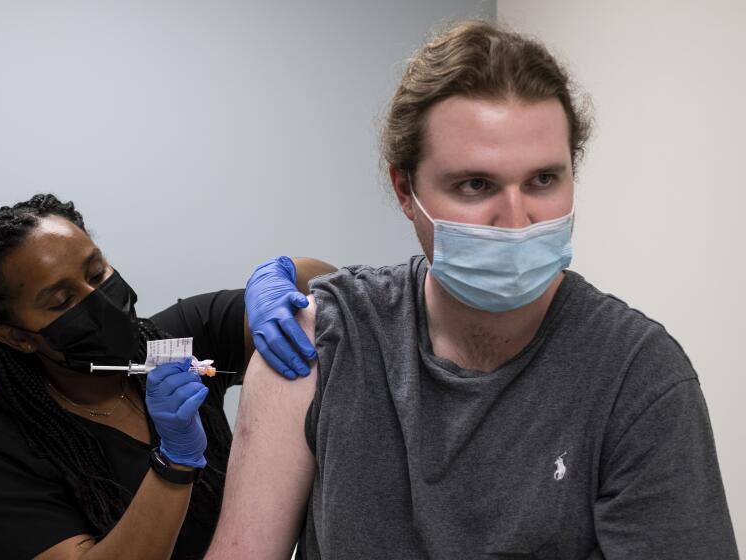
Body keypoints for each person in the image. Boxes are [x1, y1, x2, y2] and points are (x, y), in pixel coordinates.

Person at [205, 21, 739, 559]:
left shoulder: (638, 379)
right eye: (476, 185)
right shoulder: (322, 346)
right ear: (404, 190)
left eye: (543, 180)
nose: (515, 221)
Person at [0, 193, 334, 560]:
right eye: (62, 301)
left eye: (97, 273)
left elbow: (330, 293)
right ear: (17, 337)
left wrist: (276, 279)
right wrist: (174, 463)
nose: (98, 299)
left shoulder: (175, 343)